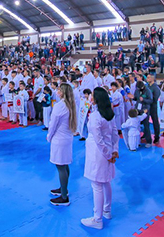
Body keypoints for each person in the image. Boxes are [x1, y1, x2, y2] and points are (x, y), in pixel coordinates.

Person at [81, 87, 119, 230]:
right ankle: (107, 211)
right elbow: (115, 134)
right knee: (106, 181)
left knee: (97, 184)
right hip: (107, 150)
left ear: (96, 99)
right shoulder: (109, 114)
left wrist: (109, 155)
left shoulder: (96, 116)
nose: (90, 97)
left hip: (99, 153)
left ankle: (97, 219)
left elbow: (98, 140)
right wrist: (114, 151)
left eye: (91, 95)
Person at [47, 83, 77, 206]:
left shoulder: (60, 106)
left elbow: (53, 124)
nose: (57, 91)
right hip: (67, 137)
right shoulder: (70, 105)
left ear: (62, 92)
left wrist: (49, 136)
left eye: (59, 90)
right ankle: (63, 188)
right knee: (64, 165)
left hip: (59, 139)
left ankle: (64, 197)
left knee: (60, 166)